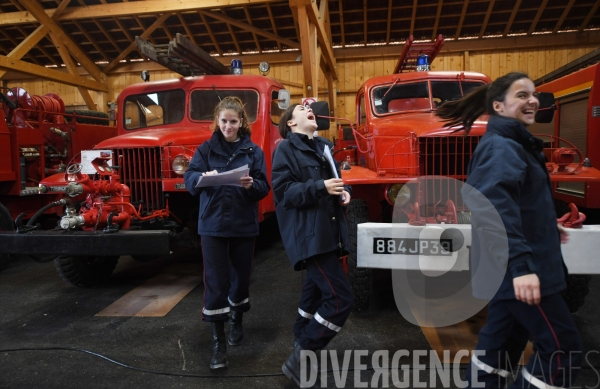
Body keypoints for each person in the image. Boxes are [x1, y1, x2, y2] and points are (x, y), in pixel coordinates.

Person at [436, 72, 583, 388]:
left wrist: (546, 225)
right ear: (499, 106)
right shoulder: (503, 147)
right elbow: (491, 211)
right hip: (522, 270)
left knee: (499, 347)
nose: (532, 100)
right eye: (522, 95)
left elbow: (513, 205)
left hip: (509, 267)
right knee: (562, 350)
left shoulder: (514, 144)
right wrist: (520, 267)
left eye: (534, 94)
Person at [183, 96, 270, 370]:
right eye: (224, 121)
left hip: (243, 224)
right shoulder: (206, 149)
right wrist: (201, 179)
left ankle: (237, 321)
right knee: (216, 282)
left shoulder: (253, 152)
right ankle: (218, 344)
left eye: (233, 121)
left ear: (241, 121)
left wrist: (251, 185)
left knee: (241, 278)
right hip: (213, 225)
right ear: (217, 121)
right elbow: (189, 180)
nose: (228, 126)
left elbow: (265, 188)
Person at [271, 103, 354, 387]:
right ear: (291, 124)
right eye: (300, 108)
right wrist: (321, 187)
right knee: (340, 300)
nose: (308, 108)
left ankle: (299, 343)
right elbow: (283, 193)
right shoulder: (285, 149)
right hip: (311, 237)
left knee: (313, 299)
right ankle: (302, 356)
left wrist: (346, 192)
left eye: (309, 107)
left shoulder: (324, 147)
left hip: (330, 234)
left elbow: (336, 182)